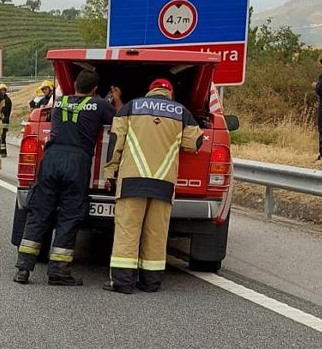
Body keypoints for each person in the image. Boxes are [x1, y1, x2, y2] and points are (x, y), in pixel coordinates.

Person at [14, 70, 118, 285]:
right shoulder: (100, 105)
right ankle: (58, 272)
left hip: (51, 159)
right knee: (69, 216)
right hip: (77, 163)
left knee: (39, 213)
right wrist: (116, 100)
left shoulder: (60, 101)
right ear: (95, 89)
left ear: (75, 86)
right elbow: (121, 121)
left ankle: (23, 270)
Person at [102, 78, 203, 294]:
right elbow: (194, 143)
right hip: (163, 183)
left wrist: (109, 173)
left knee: (128, 231)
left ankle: (122, 283)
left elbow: (115, 142)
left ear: (150, 91)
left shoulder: (131, 107)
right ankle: (151, 282)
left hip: (132, 180)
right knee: (156, 233)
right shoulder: (181, 112)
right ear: (170, 93)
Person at [0, 83, 13, 157]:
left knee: (2, 136)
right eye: (1, 90)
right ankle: (0, 151)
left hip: (4, 121)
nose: (2, 91)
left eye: (3, 90)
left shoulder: (6, 100)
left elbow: (3, 111)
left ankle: (3, 152)